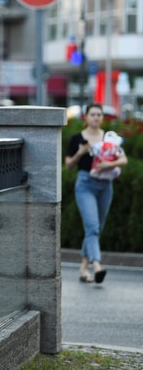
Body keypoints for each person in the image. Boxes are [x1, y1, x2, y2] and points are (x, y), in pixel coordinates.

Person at [64, 103, 127, 284]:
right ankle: (97, 265)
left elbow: (124, 159)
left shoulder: (109, 139)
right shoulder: (77, 138)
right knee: (92, 226)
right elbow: (68, 165)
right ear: (86, 117)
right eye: (93, 114)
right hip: (85, 185)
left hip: (105, 185)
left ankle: (83, 268)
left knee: (96, 227)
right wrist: (81, 152)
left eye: (99, 114)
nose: (96, 117)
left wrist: (108, 165)